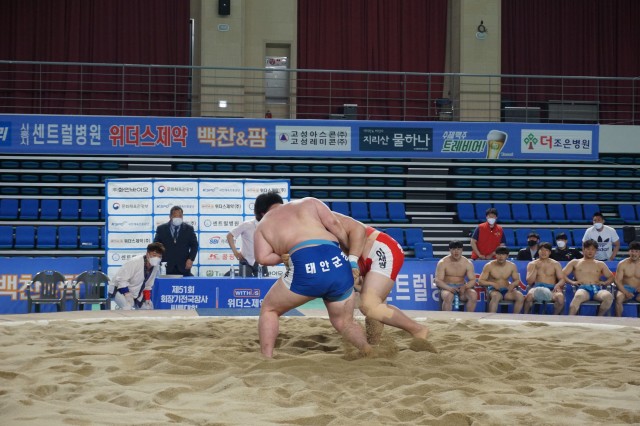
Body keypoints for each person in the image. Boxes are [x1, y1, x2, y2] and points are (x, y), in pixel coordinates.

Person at [253, 192, 373, 358]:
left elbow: (262, 258)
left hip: (306, 265)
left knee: (269, 310)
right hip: (336, 260)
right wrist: (347, 253)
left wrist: (282, 256)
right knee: (344, 321)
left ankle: (266, 357)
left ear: (261, 213)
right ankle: (367, 350)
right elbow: (334, 224)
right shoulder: (309, 202)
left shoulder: (263, 225)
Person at [334, 212, 431, 345]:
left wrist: (352, 259)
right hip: (364, 260)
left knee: (369, 305)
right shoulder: (306, 225)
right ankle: (374, 346)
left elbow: (358, 228)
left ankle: (417, 329)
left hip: (379, 250)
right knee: (373, 306)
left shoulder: (318, 212)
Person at [562, 239, 615, 316]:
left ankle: (599, 318)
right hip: (583, 289)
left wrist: (604, 282)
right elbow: (562, 274)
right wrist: (572, 282)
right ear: (583, 249)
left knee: (608, 297)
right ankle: (570, 320)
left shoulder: (600, 264)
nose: (590, 251)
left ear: (596, 251)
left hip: (597, 290)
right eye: (588, 249)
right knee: (578, 296)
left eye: (593, 249)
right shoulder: (575, 262)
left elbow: (611, 277)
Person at [110, 242, 165, 310]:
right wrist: (127, 294)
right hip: (119, 289)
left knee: (148, 308)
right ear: (147, 254)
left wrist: (147, 299)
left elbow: (148, 285)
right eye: (154, 255)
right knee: (127, 307)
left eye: (159, 256)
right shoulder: (135, 262)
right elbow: (121, 280)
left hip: (136, 292)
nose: (156, 258)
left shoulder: (155, 267)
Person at [153, 206, 199, 276]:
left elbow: (194, 245)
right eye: (175, 216)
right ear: (170, 216)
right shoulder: (161, 229)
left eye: (180, 216)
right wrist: (157, 259)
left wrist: (191, 259)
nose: (178, 218)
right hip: (166, 267)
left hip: (184, 266)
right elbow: (156, 246)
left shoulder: (189, 229)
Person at [434, 240, 478, 312]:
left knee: (473, 295)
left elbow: (473, 280)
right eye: (454, 249)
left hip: (462, 288)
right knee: (449, 296)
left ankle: (468, 319)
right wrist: (449, 288)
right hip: (447, 288)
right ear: (450, 250)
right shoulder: (443, 262)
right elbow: (438, 280)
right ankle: (447, 320)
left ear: (462, 250)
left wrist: (465, 287)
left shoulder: (467, 263)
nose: (456, 251)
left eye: (458, 249)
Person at [478, 246, 524, 313]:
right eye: (499, 254)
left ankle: (514, 318)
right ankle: (491, 319)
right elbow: (480, 281)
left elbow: (517, 280)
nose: (501, 256)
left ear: (507, 256)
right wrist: (492, 284)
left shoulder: (512, 266)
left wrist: (513, 284)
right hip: (494, 290)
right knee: (495, 297)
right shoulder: (489, 266)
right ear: (495, 255)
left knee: (520, 296)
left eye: (503, 254)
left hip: (507, 291)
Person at [523, 242, 565, 314]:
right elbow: (529, 282)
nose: (544, 252)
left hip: (552, 289)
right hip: (536, 287)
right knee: (529, 297)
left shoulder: (555, 264)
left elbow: (562, 279)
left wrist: (558, 285)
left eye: (546, 250)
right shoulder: (532, 264)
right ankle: (525, 316)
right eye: (541, 250)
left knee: (560, 298)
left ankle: (554, 318)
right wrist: (535, 269)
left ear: (550, 252)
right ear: (538, 251)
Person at [613, 240, 640, 317]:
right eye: (632, 251)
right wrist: (625, 292)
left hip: (638, 289)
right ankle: (619, 321)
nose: (634, 253)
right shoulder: (622, 264)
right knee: (619, 299)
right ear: (629, 252)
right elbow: (617, 281)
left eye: (636, 251)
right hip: (625, 288)